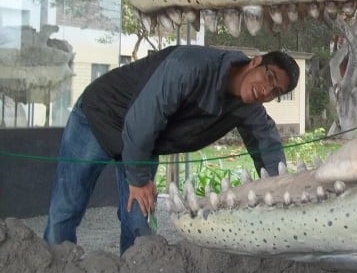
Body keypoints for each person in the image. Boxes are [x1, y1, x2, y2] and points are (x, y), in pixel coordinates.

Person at [43, 44, 299, 254]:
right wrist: (139, 178)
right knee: (66, 208)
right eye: (269, 77)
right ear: (255, 62)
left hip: (144, 142)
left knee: (138, 224)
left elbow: (267, 142)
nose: (266, 90)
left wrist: (281, 193)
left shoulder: (248, 105)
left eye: (275, 92)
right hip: (99, 117)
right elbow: (143, 119)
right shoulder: (190, 67)